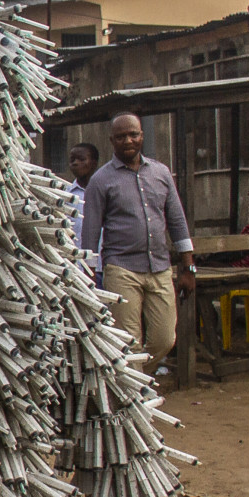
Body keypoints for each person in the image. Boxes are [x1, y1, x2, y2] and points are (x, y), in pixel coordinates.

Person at [80, 113, 194, 373]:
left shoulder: (161, 173)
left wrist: (188, 268)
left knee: (165, 339)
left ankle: (135, 381)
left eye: (133, 134)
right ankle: (136, 402)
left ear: (142, 136)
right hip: (121, 269)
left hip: (160, 268)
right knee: (129, 343)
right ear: (112, 141)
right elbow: (90, 233)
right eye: (121, 137)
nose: (128, 140)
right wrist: (88, 277)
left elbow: (177, 222)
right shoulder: (100, 180)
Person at [67, 142, 102, 273]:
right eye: (72, 160)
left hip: (105, 266)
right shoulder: (67, 196)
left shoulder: (105, 191)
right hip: (77, 268)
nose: (75, 163)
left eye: (81, 159)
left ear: (94, 163)